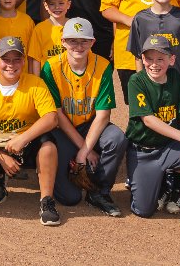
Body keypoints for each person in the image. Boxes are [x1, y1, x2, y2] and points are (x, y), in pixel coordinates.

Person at [0, 37, 63, 226]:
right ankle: (0, 177)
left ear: (24, 60)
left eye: (16, 59)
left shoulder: (35, 83)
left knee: (49, 147)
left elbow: (52, 118)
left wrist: (22, 139)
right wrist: (2, 158)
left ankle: (47, 201)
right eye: (5, 59)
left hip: (28, 141)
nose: (11, 65)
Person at [124, 35, 180, 237]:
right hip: (142, 151)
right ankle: (162, 182)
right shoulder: (136, 81)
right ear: (142, 59)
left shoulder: (174, 77)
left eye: (160, 59)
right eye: (149, 58)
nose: (154, 64)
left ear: (171, 60)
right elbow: (148, 120)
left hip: (168, 147)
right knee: (144, 210)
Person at [40, 18, 125, 216]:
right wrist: (85, 149)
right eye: (73, 41)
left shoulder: (103, 65)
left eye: (84, 41)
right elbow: (58, 114)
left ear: (93, 42)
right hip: (62, 129)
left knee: (117, 138)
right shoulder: (50, 67)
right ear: (63, 42)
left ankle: (99, 191)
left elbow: (103, 115)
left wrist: (83, 152)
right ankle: (58, 172)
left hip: (90, 124)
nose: (78, 46)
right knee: (70, 198)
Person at [26, 0, 71, 72]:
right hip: (47, 79)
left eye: (61, 3)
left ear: (68, 4)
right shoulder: (39, 29)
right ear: (46, 6)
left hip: (69, 79)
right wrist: (38, 82)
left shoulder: (74, 26)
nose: (57, 7)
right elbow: (36, 59)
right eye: (52, 4)